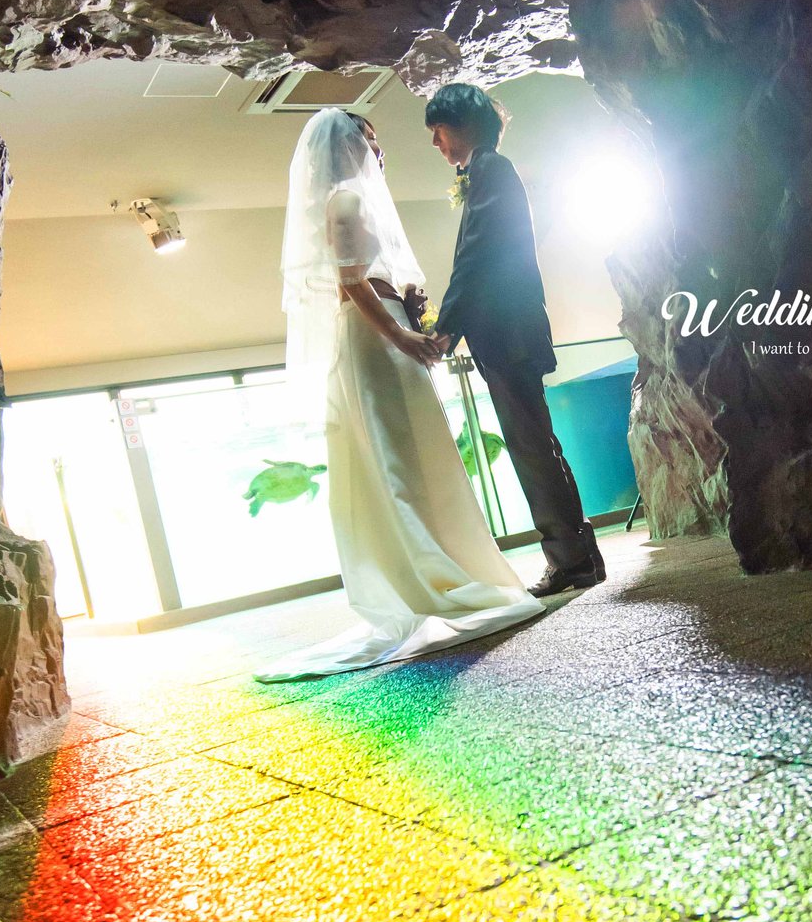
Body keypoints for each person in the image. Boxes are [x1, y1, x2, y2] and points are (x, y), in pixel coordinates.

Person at [255, 106, 544, 681]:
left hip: (384, 325)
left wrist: (407, 307)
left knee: (413, 449)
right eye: (368, 139)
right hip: (371, 336)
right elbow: (349, 281)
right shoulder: (344, 200)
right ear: (344, 147)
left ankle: (442, 564)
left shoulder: (355, 200)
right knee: (394, 453)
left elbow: (370, 277)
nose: (377, 148)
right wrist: (399, 333)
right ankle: (424, 576)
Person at [424, 83, 607, 598]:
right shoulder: (485, 170)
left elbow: (476, 256)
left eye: (439, 130)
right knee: (538, 446)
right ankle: (580, 558)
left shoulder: (490, 169)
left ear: (464, 124)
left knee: (532, 449)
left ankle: (571, 561)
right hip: (509, 334)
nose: (435, 143)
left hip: (507, 335)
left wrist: (444, 330)